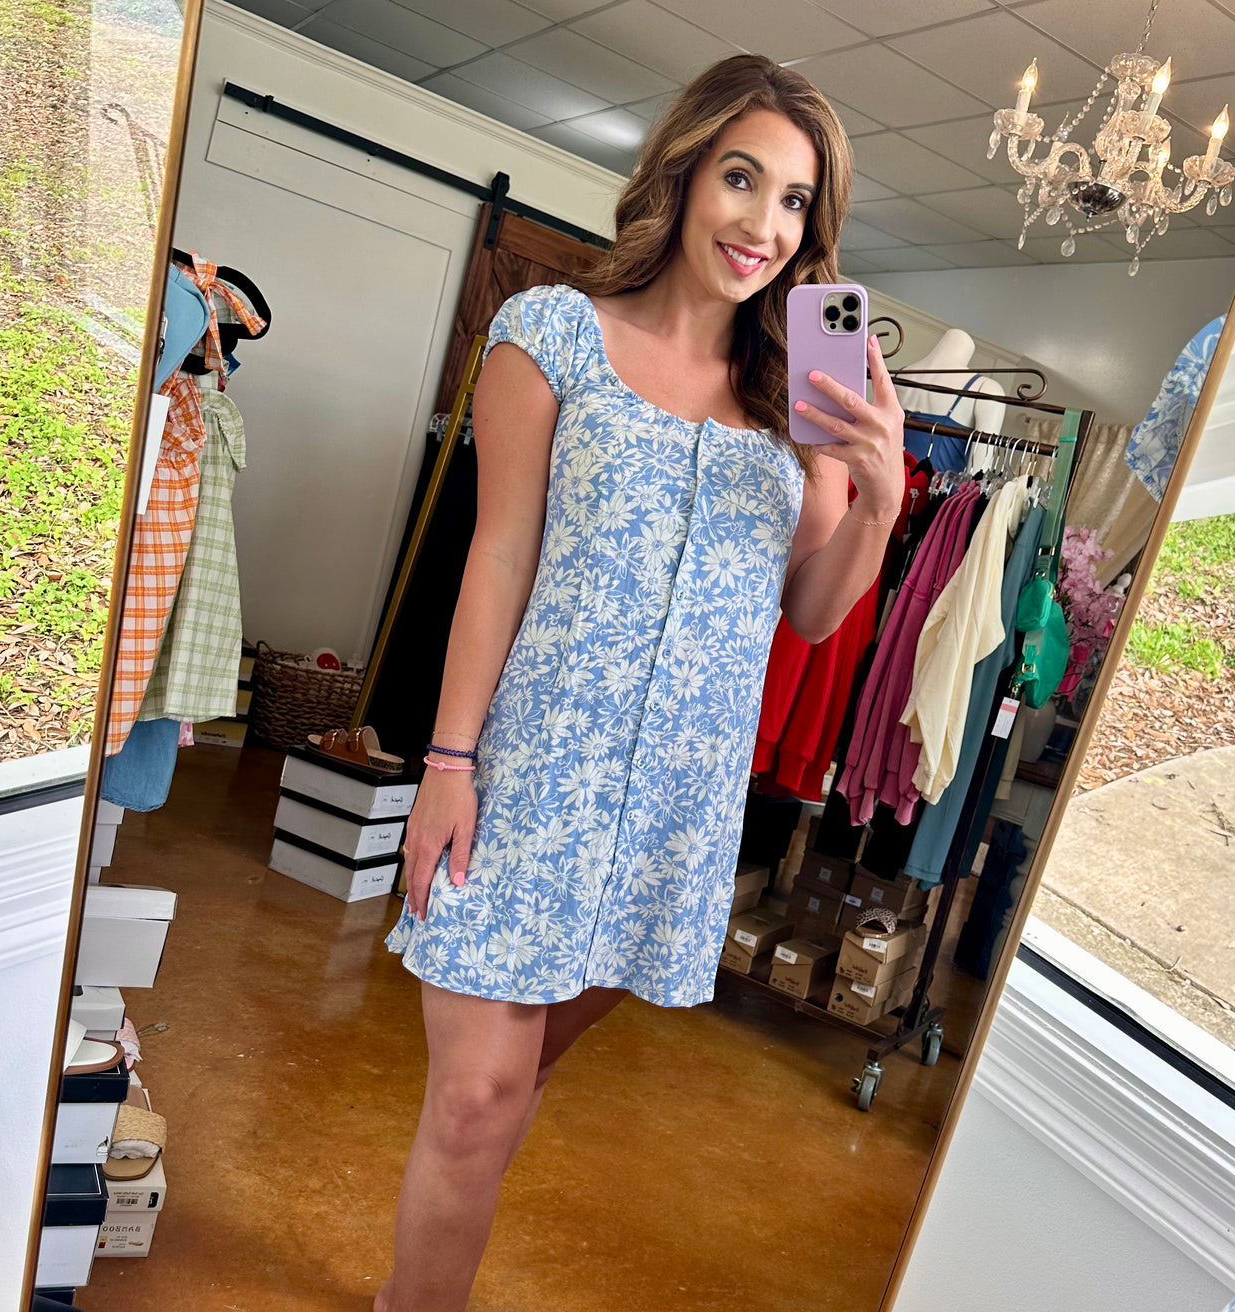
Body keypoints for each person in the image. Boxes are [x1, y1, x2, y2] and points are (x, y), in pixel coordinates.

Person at [376, 53, 906, 1312]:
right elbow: (497, 556)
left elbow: (811, 611)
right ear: (682, 171)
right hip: (530, 779)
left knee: (513, 1086)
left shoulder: (797, 407)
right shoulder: (551, 334)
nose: (762, 224)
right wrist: (446, 763)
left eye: (794, 201)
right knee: (476, 1095)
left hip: (676, 809)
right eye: (741, 178)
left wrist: (879, 498)